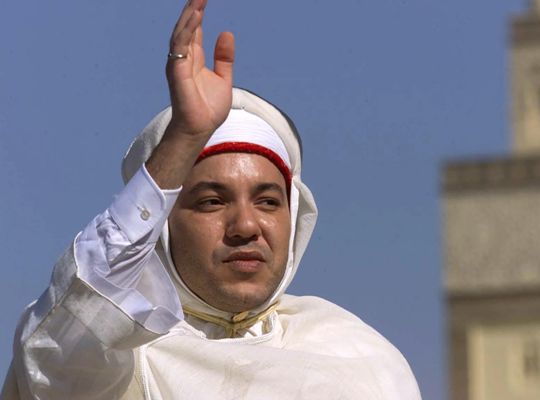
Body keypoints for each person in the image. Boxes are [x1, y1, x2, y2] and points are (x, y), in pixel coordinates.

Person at [1, 1, 421, 399]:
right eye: (211, 202)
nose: (246, 227)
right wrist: (184, 140)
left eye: (268, 202)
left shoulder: (361, 359)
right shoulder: (118, 355)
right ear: (162, 223)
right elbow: (61, 345)